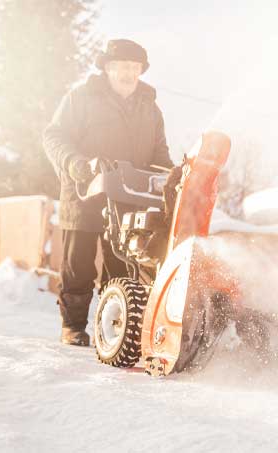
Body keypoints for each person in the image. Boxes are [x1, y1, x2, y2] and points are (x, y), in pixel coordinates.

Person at [43, 39, 174, 346]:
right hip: (84, 193)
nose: (129, 74)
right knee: (78, 266)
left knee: (122, 267)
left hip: (128, 198)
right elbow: (53, 136)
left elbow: (159, 154)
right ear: (107, 68)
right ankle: (73, 326)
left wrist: (172, 175)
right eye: (122, 67)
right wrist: (76, 163)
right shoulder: (81, 98)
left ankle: (113, 328)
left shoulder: (150, 108)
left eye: (134, 68)